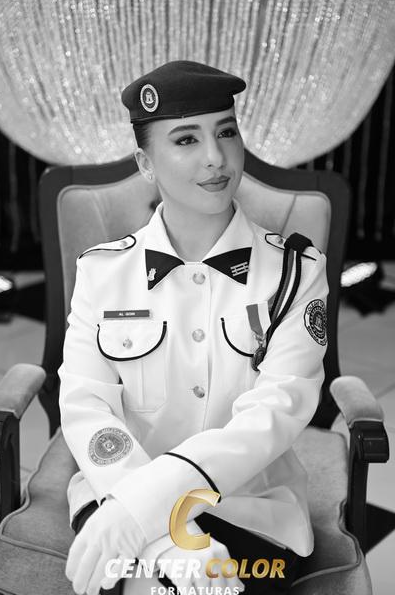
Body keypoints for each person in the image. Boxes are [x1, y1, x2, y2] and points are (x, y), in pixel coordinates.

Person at [59, 60, 328, 595]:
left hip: (249, 509)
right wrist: (162, 539)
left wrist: (151, 511)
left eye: (226, 132)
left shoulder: (295, 272)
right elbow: (87, 405)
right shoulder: (103, 271)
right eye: (186, 139)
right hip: (116, 490)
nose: (216, 158)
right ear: (146, 164)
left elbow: (275, 412)